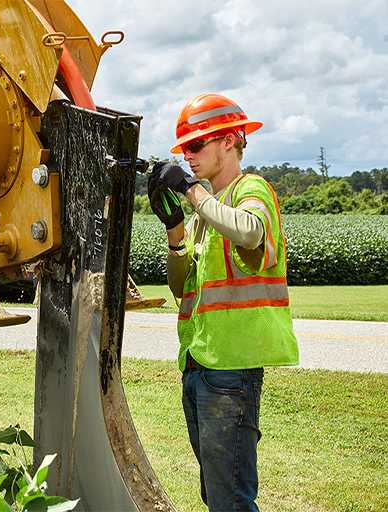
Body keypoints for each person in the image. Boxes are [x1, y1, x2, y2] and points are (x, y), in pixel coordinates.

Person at [148, 93, 299, 511]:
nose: (188, 157)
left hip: (231, 368)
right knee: (217, 492)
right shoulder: (205, 214)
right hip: (200, 364)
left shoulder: (251, 189)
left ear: (230, 140)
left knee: (229, 497)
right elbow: (181, 288)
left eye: (196, 146)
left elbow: (250, 232)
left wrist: (192, 191)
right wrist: (175, 230)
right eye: (184, 149)